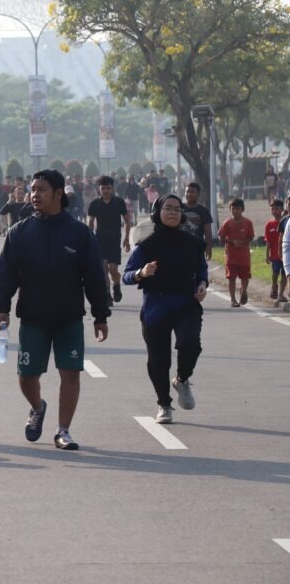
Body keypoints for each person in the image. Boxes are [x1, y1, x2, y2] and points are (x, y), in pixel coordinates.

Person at [0, 170, 109, 451]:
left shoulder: (79, 233)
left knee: (70, 373)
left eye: (41, 189)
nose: (34, 194)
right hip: (33, 317)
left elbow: (94, 275)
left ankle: (63, 430)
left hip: (68, 317)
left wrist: (100, 314)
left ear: (59, 194)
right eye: (32, 189)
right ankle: (37, 406)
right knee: (27, 376)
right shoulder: (19, 232)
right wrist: (1, 308)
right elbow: (7, 273)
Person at [122, 195, 207, 425]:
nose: (172, 213)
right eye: (167, 208)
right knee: (158, 360)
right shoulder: (146, 245)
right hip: (156, 306)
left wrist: (202, 284)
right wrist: (142, 272)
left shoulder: (192, 242)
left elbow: (201, 269)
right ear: (157, 212)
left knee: (190, 344)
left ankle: (182, 379)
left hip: (186, 303)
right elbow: (127, 276)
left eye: (177, 209)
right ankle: (164, 404)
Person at [87, 175, 132, 305]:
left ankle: (116, 285)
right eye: (103, 188)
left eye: (108, 188)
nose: (105, 191)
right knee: (103, 268)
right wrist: (90, 238)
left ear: (112, 188)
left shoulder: (119, 202)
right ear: (99, 189)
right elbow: (90, 221)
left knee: (113, 269)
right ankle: (107, 295)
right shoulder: (94, 204)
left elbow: (127, 221)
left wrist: (127, 239)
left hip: (114, 240)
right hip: (99, 240)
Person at [218, 198, 254, 307]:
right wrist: (231, 242)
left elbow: (251, 237)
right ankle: (233, 300)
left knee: (245, 277)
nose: (235, 211)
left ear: (242, 209)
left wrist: (243, 242)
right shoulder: (227, 223)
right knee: (231, 277)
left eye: (237, 209)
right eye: (233, 209)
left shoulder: (248, 223)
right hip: (231, 255)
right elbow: (221, 237)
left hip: (244, 256)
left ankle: (243, 291)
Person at [181, 182, 214, 259]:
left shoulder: (204, 211)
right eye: (187, 192)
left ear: (198, 194)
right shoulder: (179, 208)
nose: (189, 194)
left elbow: (208, 231)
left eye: (192, 192)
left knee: (200, 270)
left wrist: (208, 248)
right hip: (180, 247)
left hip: (197, 248)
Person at [264, 199, 286, 302]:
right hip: (274, 255)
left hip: (285, 254)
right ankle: (274, 285)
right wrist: (267, 254)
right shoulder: (269, 224)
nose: (274, 211)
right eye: (272, 209)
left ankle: (281, 294)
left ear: (282, 209)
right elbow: (268, 241)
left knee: (285, 274)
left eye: (277, 209)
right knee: (275, 272)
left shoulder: (286, 222)